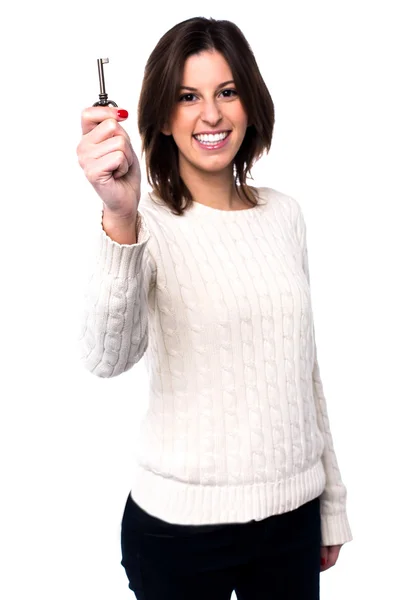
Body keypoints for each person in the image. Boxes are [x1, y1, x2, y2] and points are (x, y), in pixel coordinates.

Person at [76, 16, 352, 600]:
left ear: (249, 101)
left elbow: (304, 371)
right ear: (161, 115)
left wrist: (330, 502)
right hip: (179, 534)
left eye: (226, 91)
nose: (211, 114)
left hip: (292, 520)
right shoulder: (142, 224)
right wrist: (121, 217)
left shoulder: (285, 215)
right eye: (187, 96)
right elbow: (105, 358)